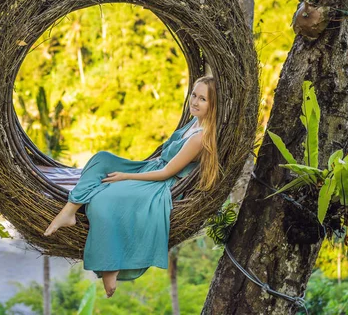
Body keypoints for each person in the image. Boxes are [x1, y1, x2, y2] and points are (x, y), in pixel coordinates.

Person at [43, 75, 219, 298]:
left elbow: (168, 172)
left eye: (202, 99)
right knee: (102, 159)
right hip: (151, 167)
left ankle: (111, 265)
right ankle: (69, 210)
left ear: (213, 105)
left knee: (104, 199)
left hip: (162, 183)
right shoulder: (194, 122)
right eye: (194, 94)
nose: (194, 101)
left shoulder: (200, 138)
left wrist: (125, 176)